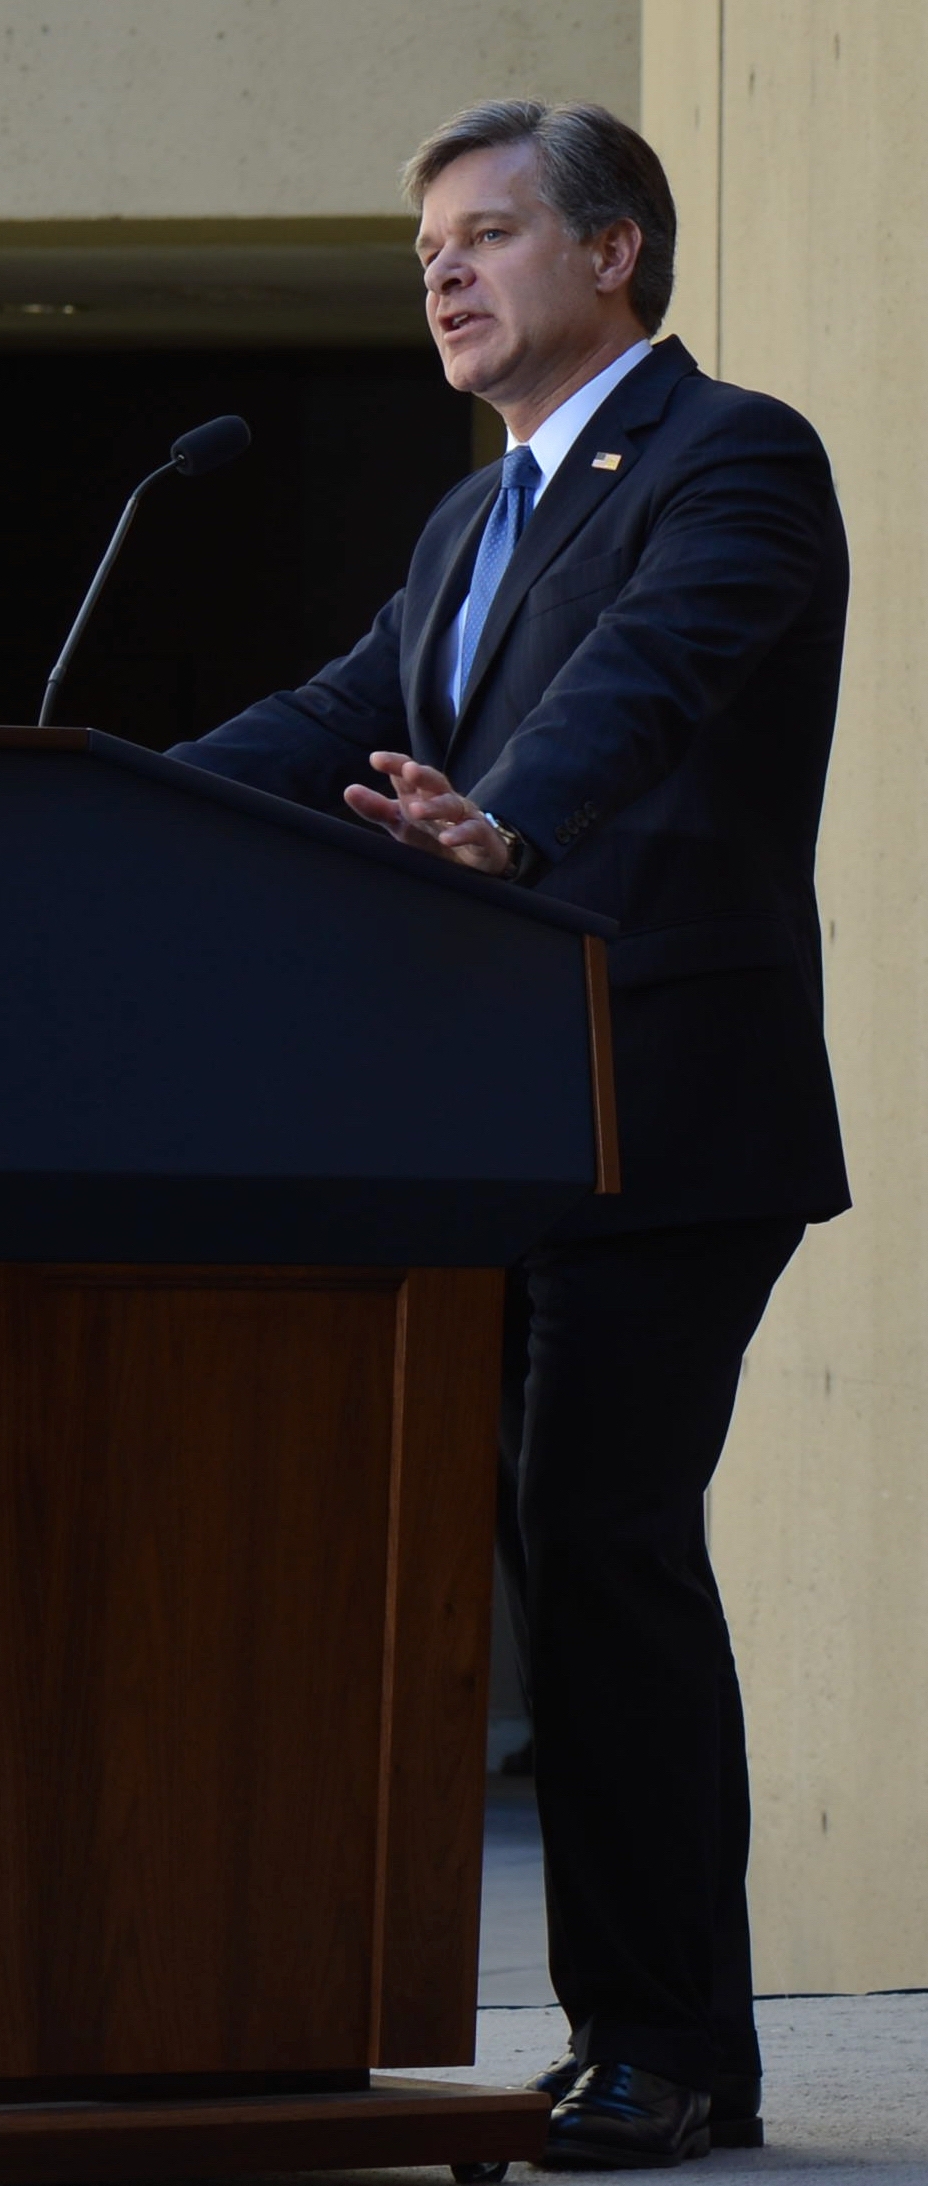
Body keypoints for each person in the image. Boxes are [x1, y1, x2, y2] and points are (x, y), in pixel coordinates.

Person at [170, 99, 849, 2170]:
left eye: (486, 237)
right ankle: (619, 2030)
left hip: (667, 1106)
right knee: (542, 1569)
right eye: (428, 255)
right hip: (485, 1118)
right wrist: (62, 796)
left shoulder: (732, 455)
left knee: (602, 1543)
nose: (446, 278)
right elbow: (329, 719)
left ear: (615, 251)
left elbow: (646, 680)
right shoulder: (467, 527)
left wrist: (514, 817)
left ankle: (672, 2044)